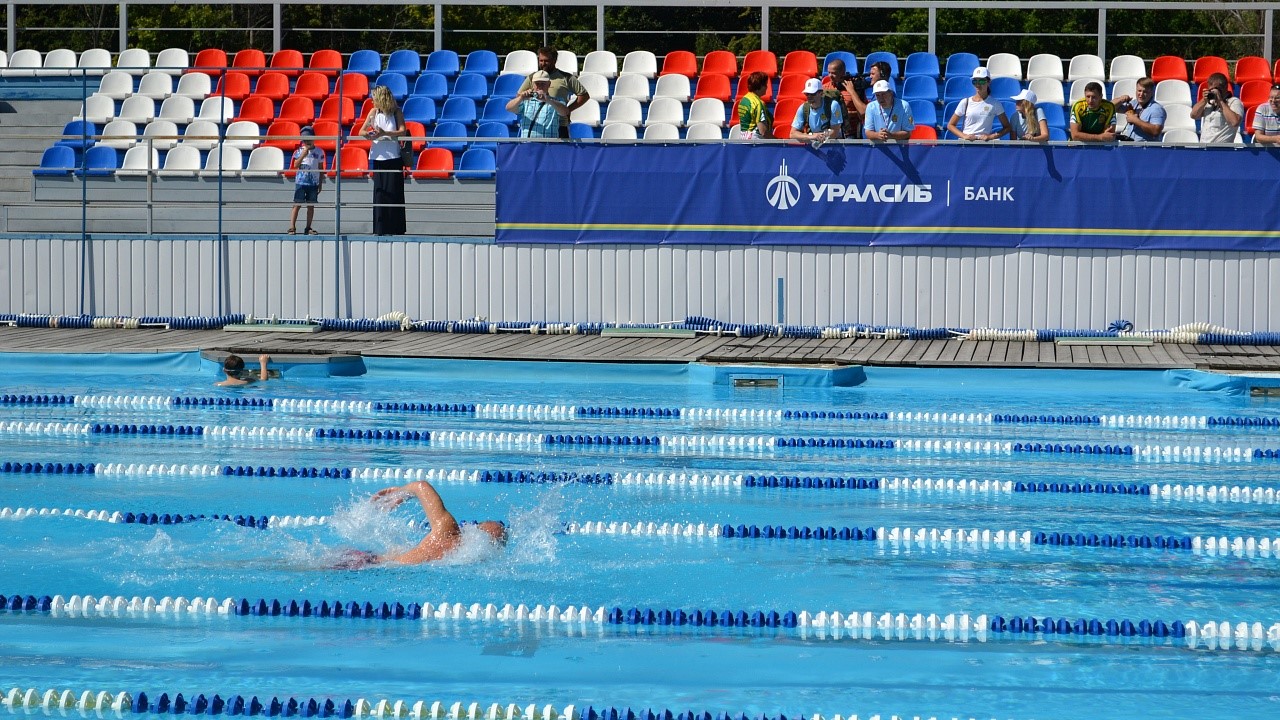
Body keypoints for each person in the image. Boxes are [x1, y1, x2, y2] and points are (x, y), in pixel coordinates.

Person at [332, 480, 508, 568]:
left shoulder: (447, 530)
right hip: (379, 567)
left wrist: (400, 493)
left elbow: (421, 485)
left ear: (471, 530)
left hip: (365, 560)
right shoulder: (467, 561)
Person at [358, 85, 407, 236]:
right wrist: (368, 134)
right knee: (380, 193)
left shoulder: (396, 112)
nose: (372, 101)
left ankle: (395, 228)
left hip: (393, 157)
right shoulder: (374, 112)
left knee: (393, 192)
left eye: (374, 98)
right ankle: (380, 228)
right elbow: (361, 130)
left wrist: (385, 133)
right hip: (378, 157)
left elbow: (402, 131)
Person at [516, 46, 589, 139]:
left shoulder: (566, 77)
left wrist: (568, 109)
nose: (543, 63)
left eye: (546, 61)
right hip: (537, 125)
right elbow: (519, 95)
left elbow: (584, 95)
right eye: (541, 60)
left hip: (560, 124)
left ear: (554, 60)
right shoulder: (533, 77)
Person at [946, 67, 1012, 141]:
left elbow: (1007, 127)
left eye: (981, 81)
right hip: (966, 144)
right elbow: (950, 125)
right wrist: (964, 136)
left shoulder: (995, 103)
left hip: (984, 145)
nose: (977, 84)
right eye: (974, 81)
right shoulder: (965, 102)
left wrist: (991, 137)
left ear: (989, 82)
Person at [506, 70, 568, 138]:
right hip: (527, 143)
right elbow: (509, 108)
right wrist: (521, 98)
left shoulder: (557, 101)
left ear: (549, 84)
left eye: (543, 84)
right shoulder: (526, 101)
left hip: (548, 143)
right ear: (533, 85)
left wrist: (548, 100)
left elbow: (565, 112)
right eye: (537, 83)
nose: (540, 86)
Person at [822, 57, 873, 139]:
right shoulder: (824, 88)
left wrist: (848, 114)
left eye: (834, 73)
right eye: (829, 72)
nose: (830, 76)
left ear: (842, 73)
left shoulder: (855, 88)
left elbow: (864, 113)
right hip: (830, 130)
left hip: (849, 132)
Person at [287, 126, 325, 235]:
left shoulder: (319, 152)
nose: (307, 142)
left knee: (311, 206)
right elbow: (295, 165)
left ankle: (308, 227)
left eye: (309, 139)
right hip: (301, 182)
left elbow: (321, 169)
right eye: (305, 140)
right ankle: (292, 227)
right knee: (297, 204)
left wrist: (320, 184)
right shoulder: (299, 151)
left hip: (313, 183)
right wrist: (303, 154)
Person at [1191, 72, 1244, 144]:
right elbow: (1193, 115)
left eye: (1216, 89)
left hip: (1221, 147)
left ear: (1225, 87)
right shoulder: (1209, 102)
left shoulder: (1234, 102)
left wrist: (1220, 101)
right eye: (1211, 89)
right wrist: (1204, 100)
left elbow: (1234, 122)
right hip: (1204, 146)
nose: (1214, 91)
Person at [791, 77, 843, 146]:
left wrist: (819, 138)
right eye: (807, 94)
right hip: (815, 145)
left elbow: (835, 131)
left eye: (813, 94)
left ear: (821, 93)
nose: (809, 96)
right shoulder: (803, 108)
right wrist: (812, 136)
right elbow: (792, 134)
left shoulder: (833, 105)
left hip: (835, 145)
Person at [1112, 77, 1166, 142]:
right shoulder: (1134, 103)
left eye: (1145, 92)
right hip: (1129, 145)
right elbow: (1110, 107)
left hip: (1146, 147)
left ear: (1152, 93)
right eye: (1139, 91)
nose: (1141, 94)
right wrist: (1120, 100)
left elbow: (1156, 131)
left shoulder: (1157, 109)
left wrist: (1136, 121)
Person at [737, 70, 773, 139]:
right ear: (760, 86)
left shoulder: (744, 100)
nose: (767, 87)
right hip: (755, 140)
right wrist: (776, 140)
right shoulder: (758, 104)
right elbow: (763, 132)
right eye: (765, 84)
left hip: (743, 138)